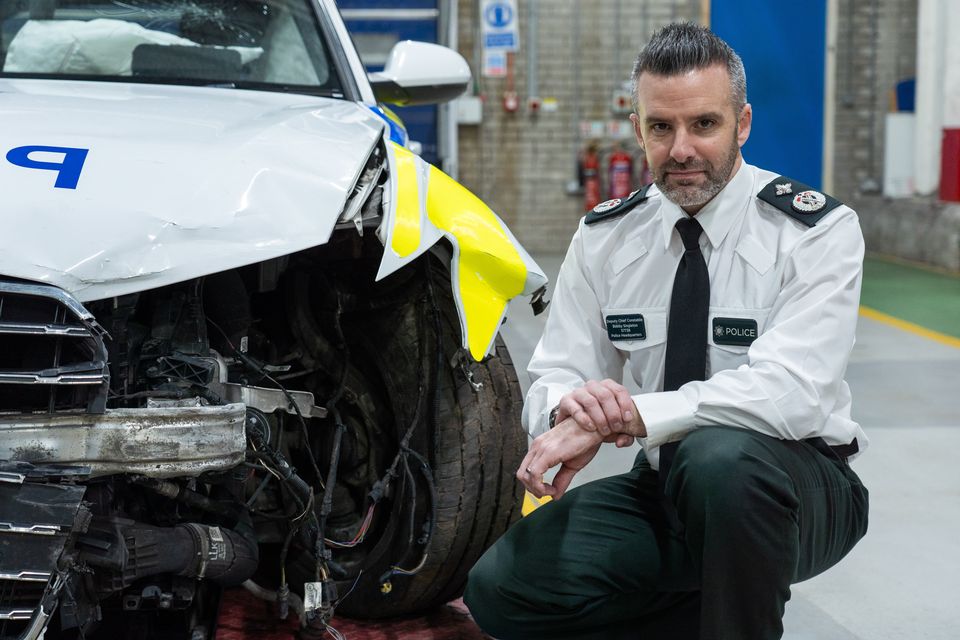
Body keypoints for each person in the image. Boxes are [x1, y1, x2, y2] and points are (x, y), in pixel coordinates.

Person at [464, 22, 869, 640]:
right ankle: (717, 610)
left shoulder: (815, 232)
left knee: (719, 457)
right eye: (661, 127)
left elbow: (793, 396)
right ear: (639, 130)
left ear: (744, 124)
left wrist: (634, 415)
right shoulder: (607, 237)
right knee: (503, 588)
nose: (681, 149)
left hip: (801, 488)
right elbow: (556, 371)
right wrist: (573, 410)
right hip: (668, 485)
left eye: (704, 124)